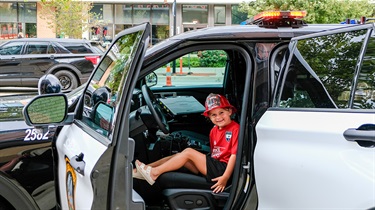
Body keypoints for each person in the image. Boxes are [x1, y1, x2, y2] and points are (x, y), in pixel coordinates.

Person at [135, 93, 239, 193]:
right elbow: (214, 152)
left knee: (189, 152)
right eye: (214, 115)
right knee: (179, 156)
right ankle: (146, 168)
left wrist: (225, 177)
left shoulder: (235, 129)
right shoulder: (214, 130)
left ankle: (154, 173)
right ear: (209, 117)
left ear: (229, 111)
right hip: (215, 165)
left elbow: (234, 156)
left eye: (221, 113)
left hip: (222, 170)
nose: (218, 117)